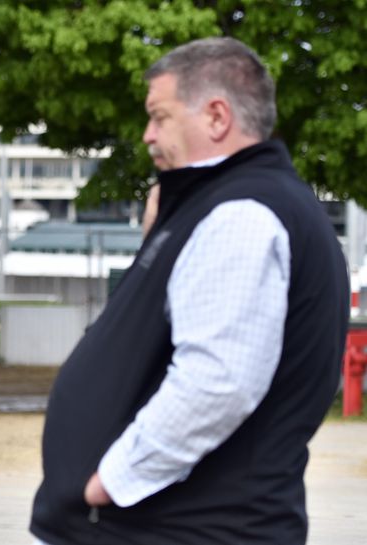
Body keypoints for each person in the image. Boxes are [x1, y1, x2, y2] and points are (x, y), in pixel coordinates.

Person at [31, 37, 349, 545]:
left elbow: (219, 381)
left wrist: (109, 481)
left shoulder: (242, 216)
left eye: (160, 117)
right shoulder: (229, 205)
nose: (147, 135)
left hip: (181, 527)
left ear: (217, 117)